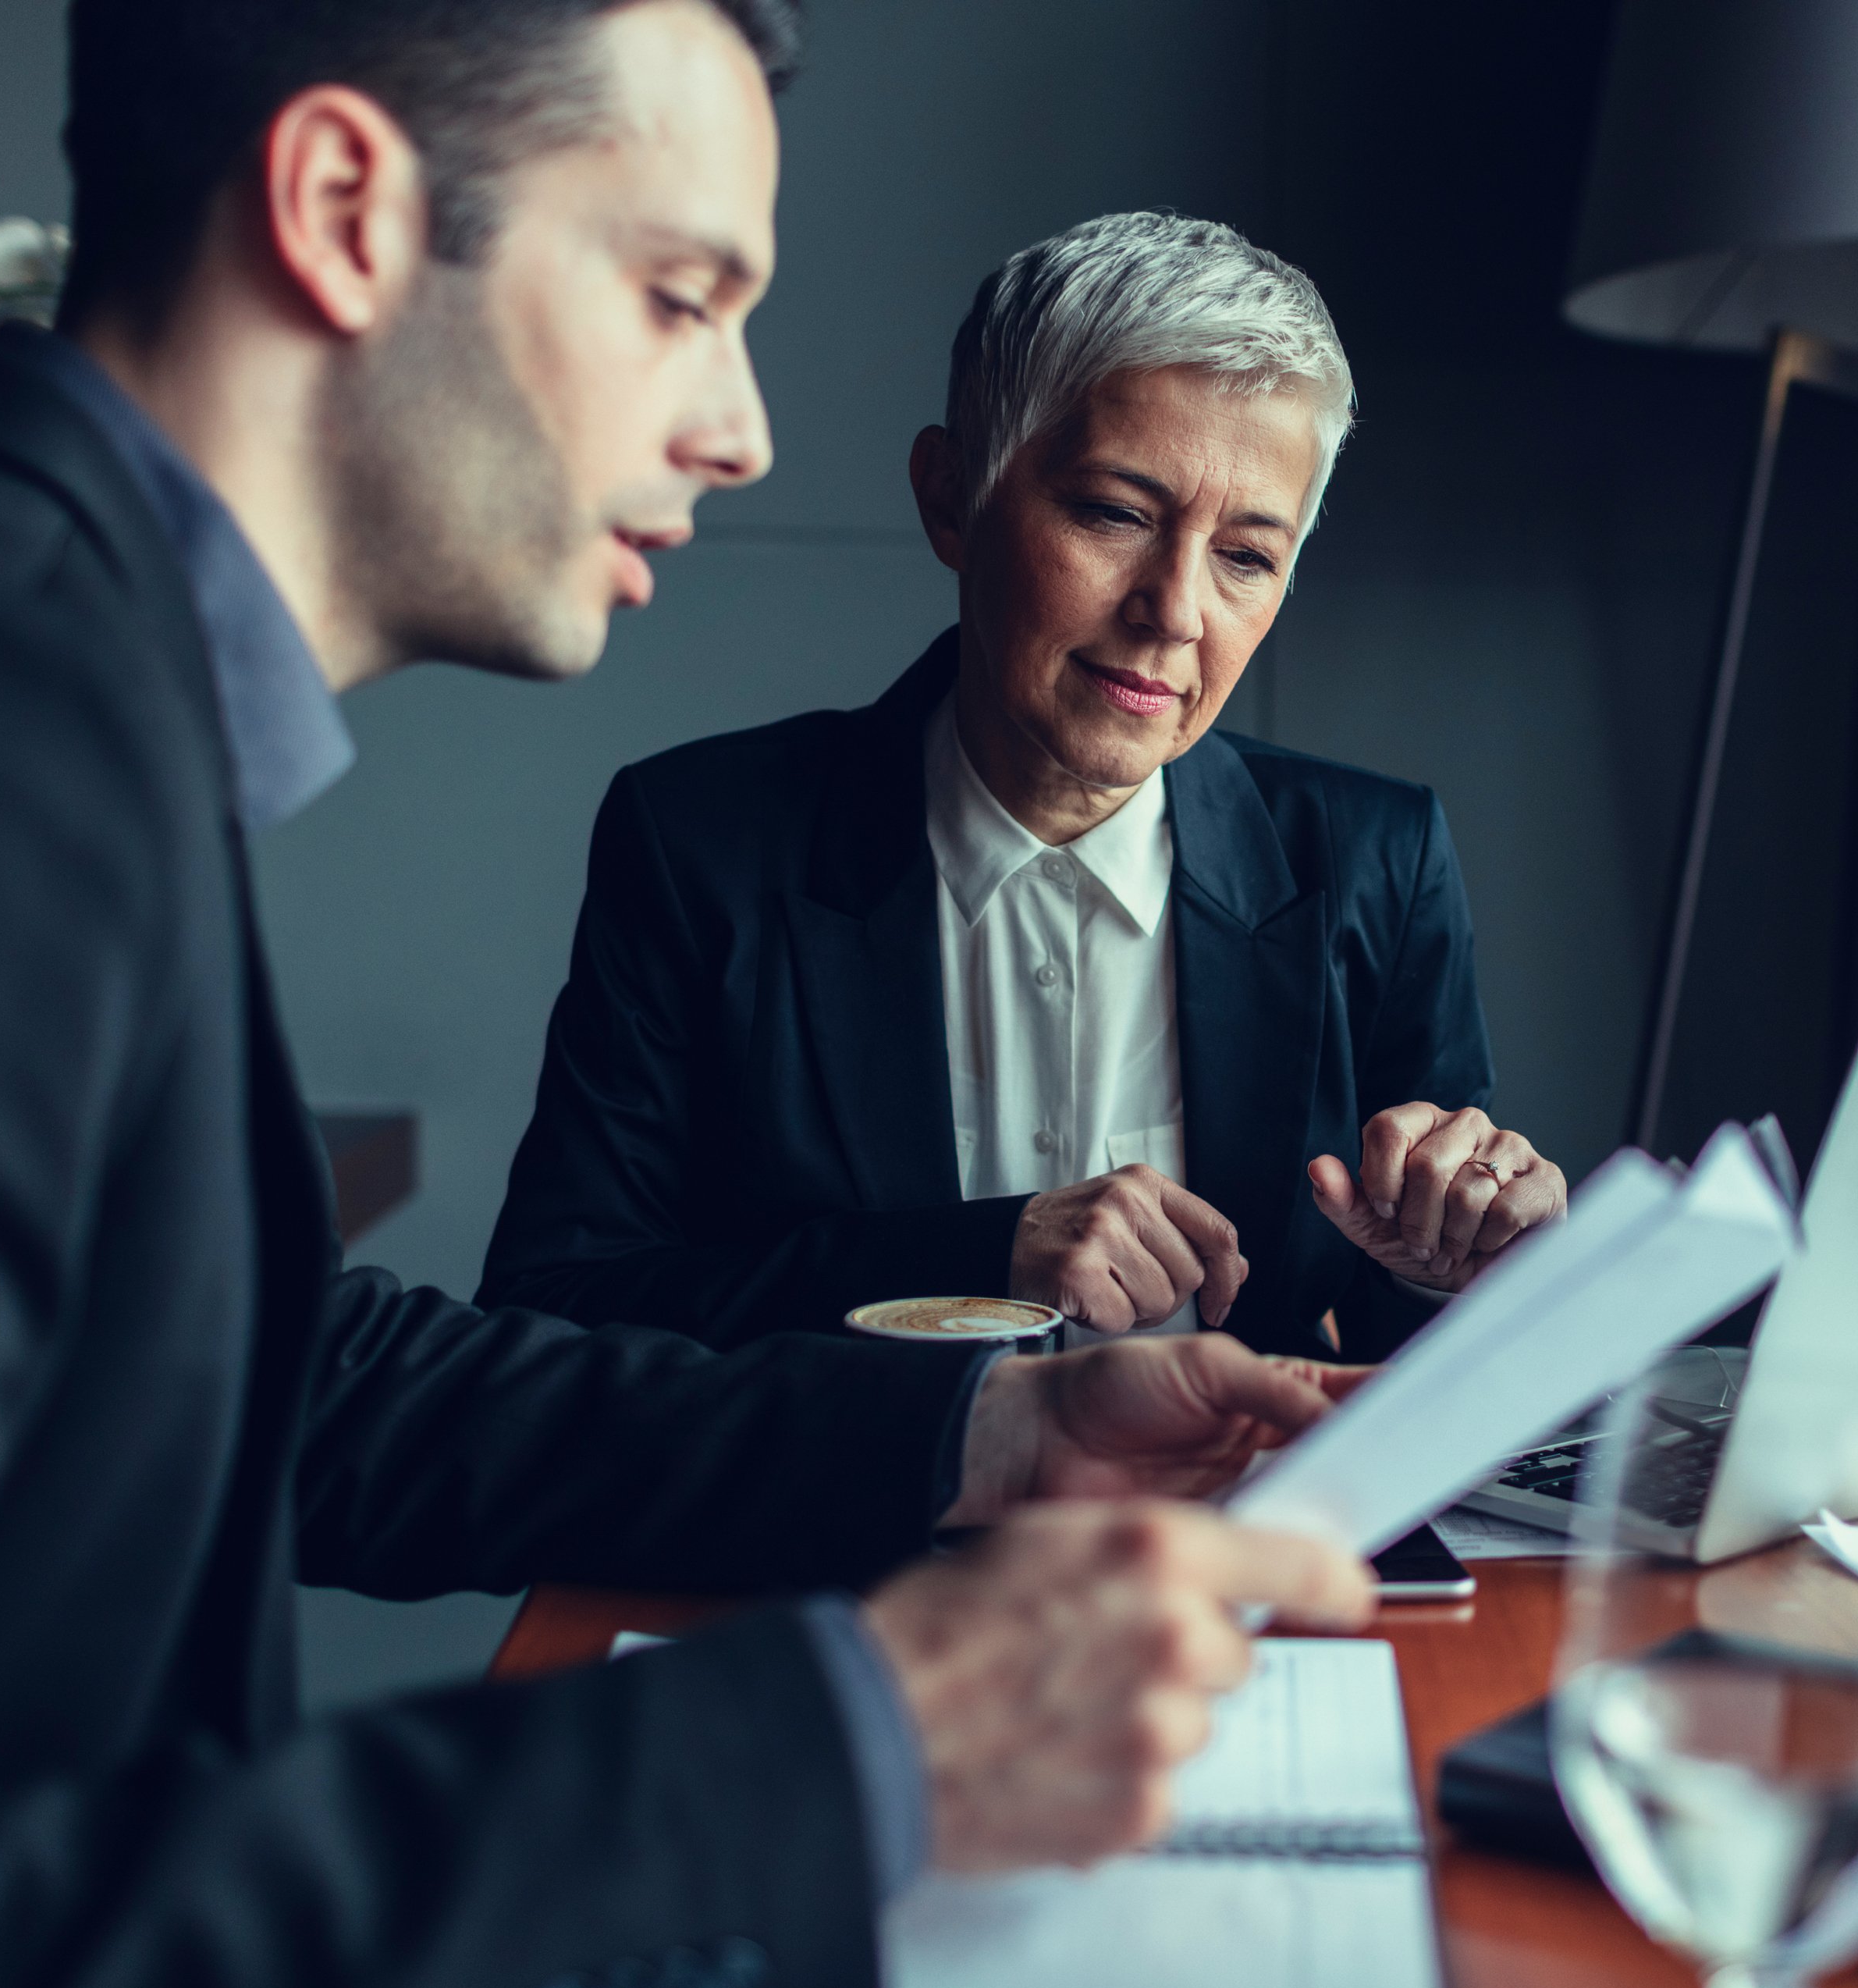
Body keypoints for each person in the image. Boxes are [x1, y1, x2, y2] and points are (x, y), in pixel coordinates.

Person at [0, 6, 1375, 1988]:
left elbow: (298, 1392)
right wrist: (849, 1746)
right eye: (682, 295)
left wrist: (985, 1424)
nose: (745, 429)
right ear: (345, 212)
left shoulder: (24, 651)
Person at [479, 212, 1570, 1364]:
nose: (1175, 611)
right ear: (951, 498)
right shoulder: (702, 842)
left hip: (1250, 1536)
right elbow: (554, 1311)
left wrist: (1470, 1266)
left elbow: (1418, 1346)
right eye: (1114, 514)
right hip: (858, 1535)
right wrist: (972, 1258)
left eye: (1246, 556)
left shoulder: (1372, 860)